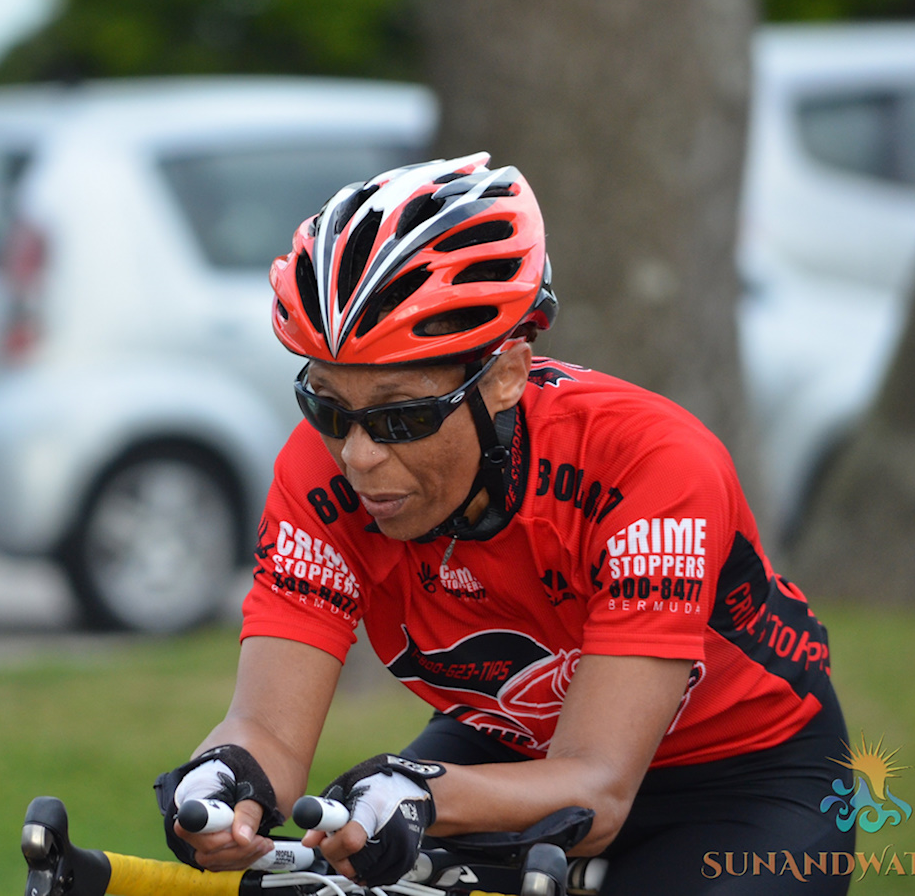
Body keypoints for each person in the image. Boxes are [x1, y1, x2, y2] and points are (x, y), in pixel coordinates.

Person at [154, 153, 855, 894]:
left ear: (506, 376)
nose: (358, 455)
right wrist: (222, 780)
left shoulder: (649, 465)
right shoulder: (319, 471)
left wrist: (423, 794)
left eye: (402, 416)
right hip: (512, 747)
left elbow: (596, 788)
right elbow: (266, 730)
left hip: (740, 778)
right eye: (327, 407)